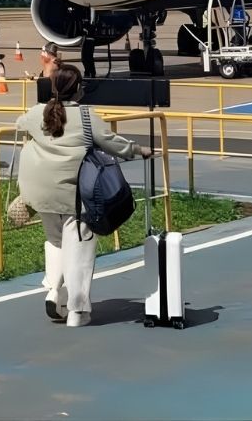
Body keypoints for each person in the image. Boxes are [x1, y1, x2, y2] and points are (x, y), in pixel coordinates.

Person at [15, 63, 153, 328]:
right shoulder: (87, 117)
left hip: (39, 192)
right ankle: (77, 311)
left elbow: (20, 124)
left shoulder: (36, 113)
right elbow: (112, 142)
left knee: (55, 242)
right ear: (78, 90)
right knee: (80, 247)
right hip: (74, 195)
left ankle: (55, 291)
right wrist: (138, 149)